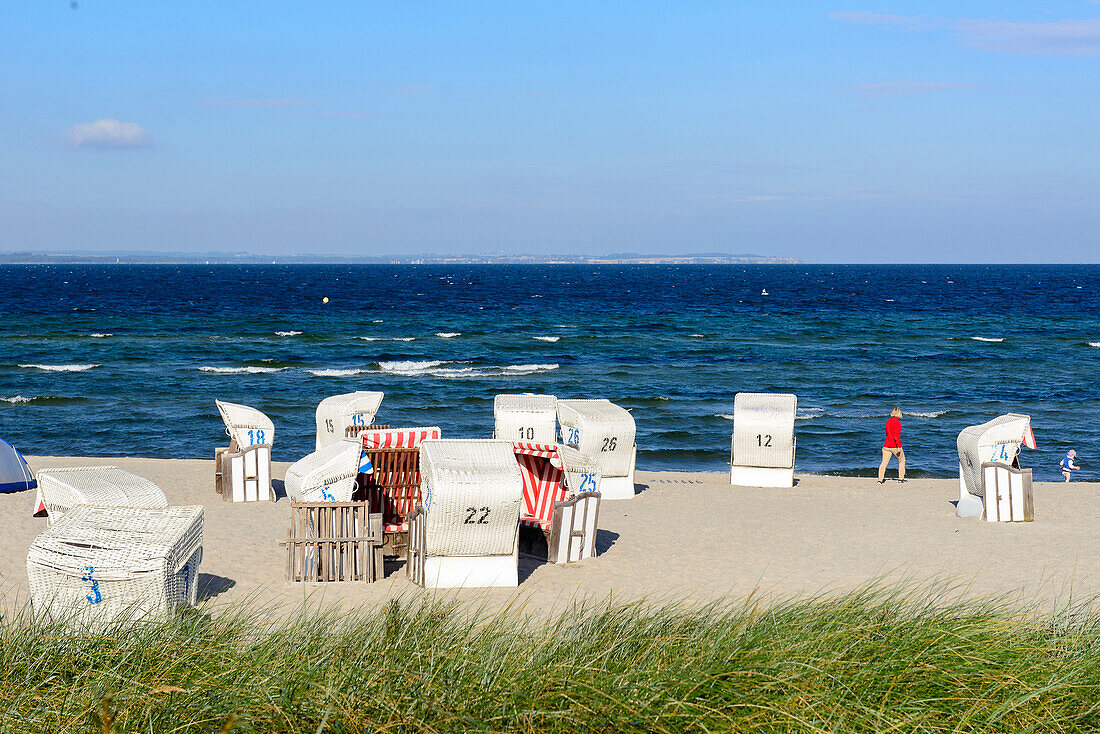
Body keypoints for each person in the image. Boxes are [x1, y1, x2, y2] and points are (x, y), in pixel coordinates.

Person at [878, 407, 905, 484]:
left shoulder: (888, 422)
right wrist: (899, 446)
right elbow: (896, 436)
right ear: (899, 413)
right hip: (894, 446)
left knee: (884, 463)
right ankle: (901, 479)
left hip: (886, 445)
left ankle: (880, 480)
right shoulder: (898, 423)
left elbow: (887, 434)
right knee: (902, 460)